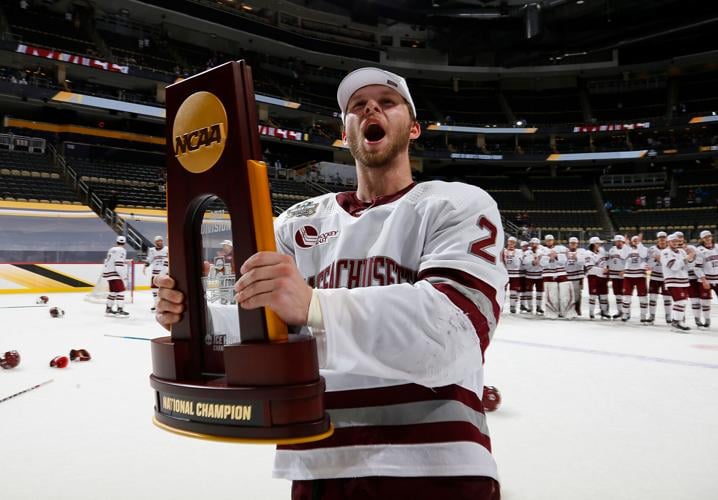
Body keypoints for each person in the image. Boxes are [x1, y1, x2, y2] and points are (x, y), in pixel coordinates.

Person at [155, 67, 505, 499]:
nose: (370, 108)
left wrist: (314, 306)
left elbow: (458, 334)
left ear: (413, 128)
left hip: (437, 463)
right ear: (345, 133)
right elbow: (262, 326)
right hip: (317, 460)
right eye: (357, 106)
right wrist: (196, 317)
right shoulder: (297, 222)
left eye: (387, 101)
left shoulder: (455, 202)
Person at [661, 233, 695, 332]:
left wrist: (691, 257)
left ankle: (677, 322)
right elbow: (674, 266)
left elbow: (689, 266)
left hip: (684, 280)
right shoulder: (665, 252)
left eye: (677, 241)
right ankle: (676, 323)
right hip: (673, 280)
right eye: (673, 241)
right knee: (680, 301)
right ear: (668, 242)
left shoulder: (681, 251)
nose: (676, 243)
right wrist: (687, 258)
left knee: (682, 302)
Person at [621, 235, 648, 322]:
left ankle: (643, 315)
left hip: (640, 275)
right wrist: (625, 244)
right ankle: (625, 313)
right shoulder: (627, 249)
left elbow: (643, 255)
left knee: (643, 297)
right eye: (634, 240)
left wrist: (639, 244)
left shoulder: (644, 248)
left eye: (637, 240)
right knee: (626, 297)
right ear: (631, 241)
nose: (636, 241)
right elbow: (622, 256)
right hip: (628, 275)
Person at [646, 231, 671, 324]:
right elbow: (649, 265)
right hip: (655, 276)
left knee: (667, 298)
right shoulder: (652, 249)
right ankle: (652, 315)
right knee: (652, 297)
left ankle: (668, 315)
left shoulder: (670, 249)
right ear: (657, 239)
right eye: (660, 238)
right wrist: (655, 259)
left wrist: (662, 259)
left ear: (666, 238)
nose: (662, 239)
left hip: (666, 277)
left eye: (664, 237)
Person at [584, 236, 610, 319]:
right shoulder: (588, 253)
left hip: (602, 276)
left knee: (604, 295)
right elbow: (589, 268)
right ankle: (591, 313)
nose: (599, 244)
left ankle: (604, 311)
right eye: (597, 243)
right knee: (593, 295)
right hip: (593, 276)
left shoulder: (602, 251)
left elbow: (606, 261)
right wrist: (602, 270)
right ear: (593, 244)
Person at [103, 235, 129, 316]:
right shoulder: (122, 250)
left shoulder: (111, 249)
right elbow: (118, 264)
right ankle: (120, 310)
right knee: (121, 292)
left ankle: (108, 308)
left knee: (113, 292)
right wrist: (123, 276)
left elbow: (106, 262)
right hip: (115, 274)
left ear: (116, 242)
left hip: (108, 273)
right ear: (124, 243)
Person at [144, 235, 169, 311]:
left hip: (164, 273)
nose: (160, 242)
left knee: (164, 290)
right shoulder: (152, 250)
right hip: (155, 273)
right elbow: (150, 260)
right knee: (154, 290)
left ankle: (164, 305)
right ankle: (156, 304)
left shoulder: (166, 249)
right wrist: (145, 266)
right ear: (155, 242)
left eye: (161, 240)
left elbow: (169, 259)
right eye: (158, 241)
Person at [502, 236, 523, 313]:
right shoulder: (503, 251)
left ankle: (512, 306)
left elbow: (517, 264)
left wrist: (513, 257)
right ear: (507, 242)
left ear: (515, 243)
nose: (511, 243)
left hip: (515, 274)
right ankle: (501, 306)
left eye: (513, 242)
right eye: (510, 242)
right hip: (505, 274)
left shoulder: (518, 251)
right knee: (502, 291)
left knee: (513, 291)